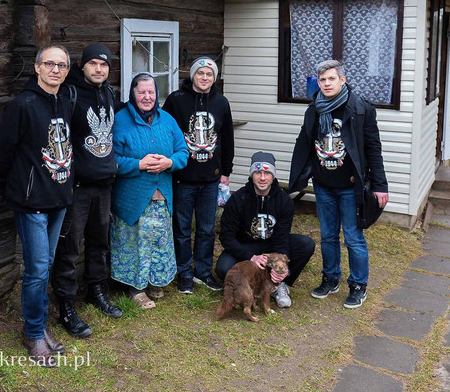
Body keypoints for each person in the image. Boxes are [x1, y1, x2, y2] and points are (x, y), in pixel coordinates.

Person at [0, 44, 74, 367]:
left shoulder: (65, 101)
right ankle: (35, 334)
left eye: (62, 65)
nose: (56, 70)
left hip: (59, 201)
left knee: (45, 267)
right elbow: (1, 155)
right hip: (32, 203)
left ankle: (38, 328)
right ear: (37, 68)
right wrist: (12, 190)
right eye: (50, 64)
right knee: (37, 271)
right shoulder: (21, 105)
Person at [288, 59, 389, 309]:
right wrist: (301, 177)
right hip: (323, 186)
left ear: (342, 80)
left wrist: (380, 185)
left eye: (331, 79)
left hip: (350, 187)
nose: (326, 83)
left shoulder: (360, 109)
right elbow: (306, 145)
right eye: (322, 80)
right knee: (328, 235)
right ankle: (330, 278)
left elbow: (373, 149)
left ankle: (358, 285)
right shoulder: (314, 110)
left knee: (353, 238)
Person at [50, 43, 122, 339]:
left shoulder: (109, 94)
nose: (99, 69)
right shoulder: (70, 93)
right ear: (82, 66)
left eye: (103, 65)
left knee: (99, 242)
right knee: (69, 248)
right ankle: (66, 306)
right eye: (93, 63)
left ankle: (96, 291)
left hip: (104, 184)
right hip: (76, 187)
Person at [110, 73, 189, 309]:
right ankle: (137, 288)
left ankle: (156, 281)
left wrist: (170, 163)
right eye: (141, 92)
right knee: (136, 243)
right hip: (133, 197)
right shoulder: (121, 121)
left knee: (159, 241)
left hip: (162, 195)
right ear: (132, 94)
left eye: (151, 92)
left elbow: (183, 152)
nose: (147, 97)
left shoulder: (168, 121)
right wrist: (139, 165)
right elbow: (110, 159)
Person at [163, 56, 234, 294]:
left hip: (211, 178)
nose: (205, 78)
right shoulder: (176, 100)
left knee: (206, 229)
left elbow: (227, 139)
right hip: (183, 177)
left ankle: (202, 272)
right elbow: (166, 133)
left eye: (209, 75)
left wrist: (226, 171)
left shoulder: (221, 103)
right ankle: (184, 272)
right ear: (193, 75)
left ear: (214, 78)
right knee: (182, 229)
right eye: (200, 73)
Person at [215, 152, 315, 308]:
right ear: (252, 174)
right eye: (258, 172)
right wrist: (250, 256)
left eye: (267, 173)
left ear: (273, 176)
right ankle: (252, 285)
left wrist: (281, 267)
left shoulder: (284, 201)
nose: (262, 178)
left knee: (305, 244)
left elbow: (281, 238)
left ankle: (279, 283)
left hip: (271, 246)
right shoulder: (238, 198)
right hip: (245, 246)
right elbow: (227, 236)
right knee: (223, 268)